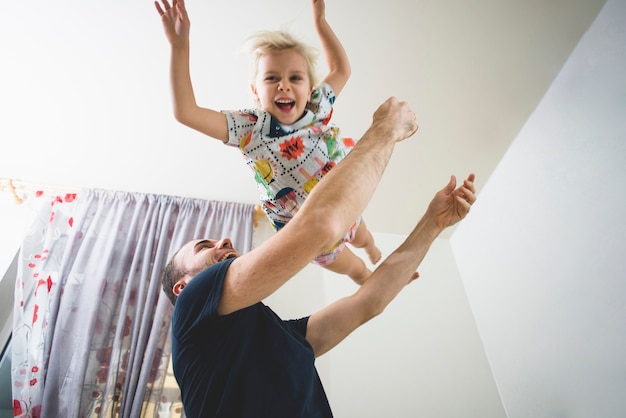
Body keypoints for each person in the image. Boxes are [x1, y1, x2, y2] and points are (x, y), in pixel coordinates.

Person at [160, 95, 478, 415]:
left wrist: (433, 224)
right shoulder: (192, 305)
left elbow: (368, 302)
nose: (223, 241)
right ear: (183, 287)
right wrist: (384, 130)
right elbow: (320, 226)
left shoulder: (286, 336)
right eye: (204, 247)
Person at [155, 0, 383, 285]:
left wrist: (320, 23)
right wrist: (179, 46)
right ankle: (377, 280)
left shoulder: (316, 107)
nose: (283, 85)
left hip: (345, 202)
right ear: (255, 91)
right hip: (310, 232)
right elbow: (186, 112)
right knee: (357, 270)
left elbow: (341, 69)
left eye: (295, 77)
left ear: (309, 89)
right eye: (272, 78)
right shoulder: (251, 127)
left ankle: (372, 248)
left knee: (364, 238)